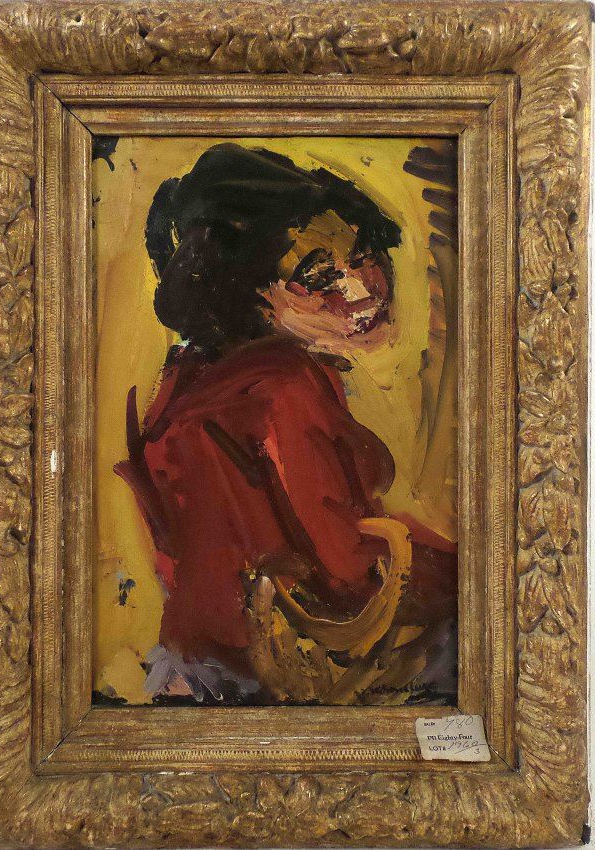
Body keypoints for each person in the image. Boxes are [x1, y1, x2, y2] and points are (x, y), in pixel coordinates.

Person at [115, 143, 457, 704]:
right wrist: (472, 575)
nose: (361, 288)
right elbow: (349, 575)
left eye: (363, 255)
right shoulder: (283, 387)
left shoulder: (184, 380)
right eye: (318, 276)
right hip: (280, 678)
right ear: (250, 295)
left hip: (194, 671)